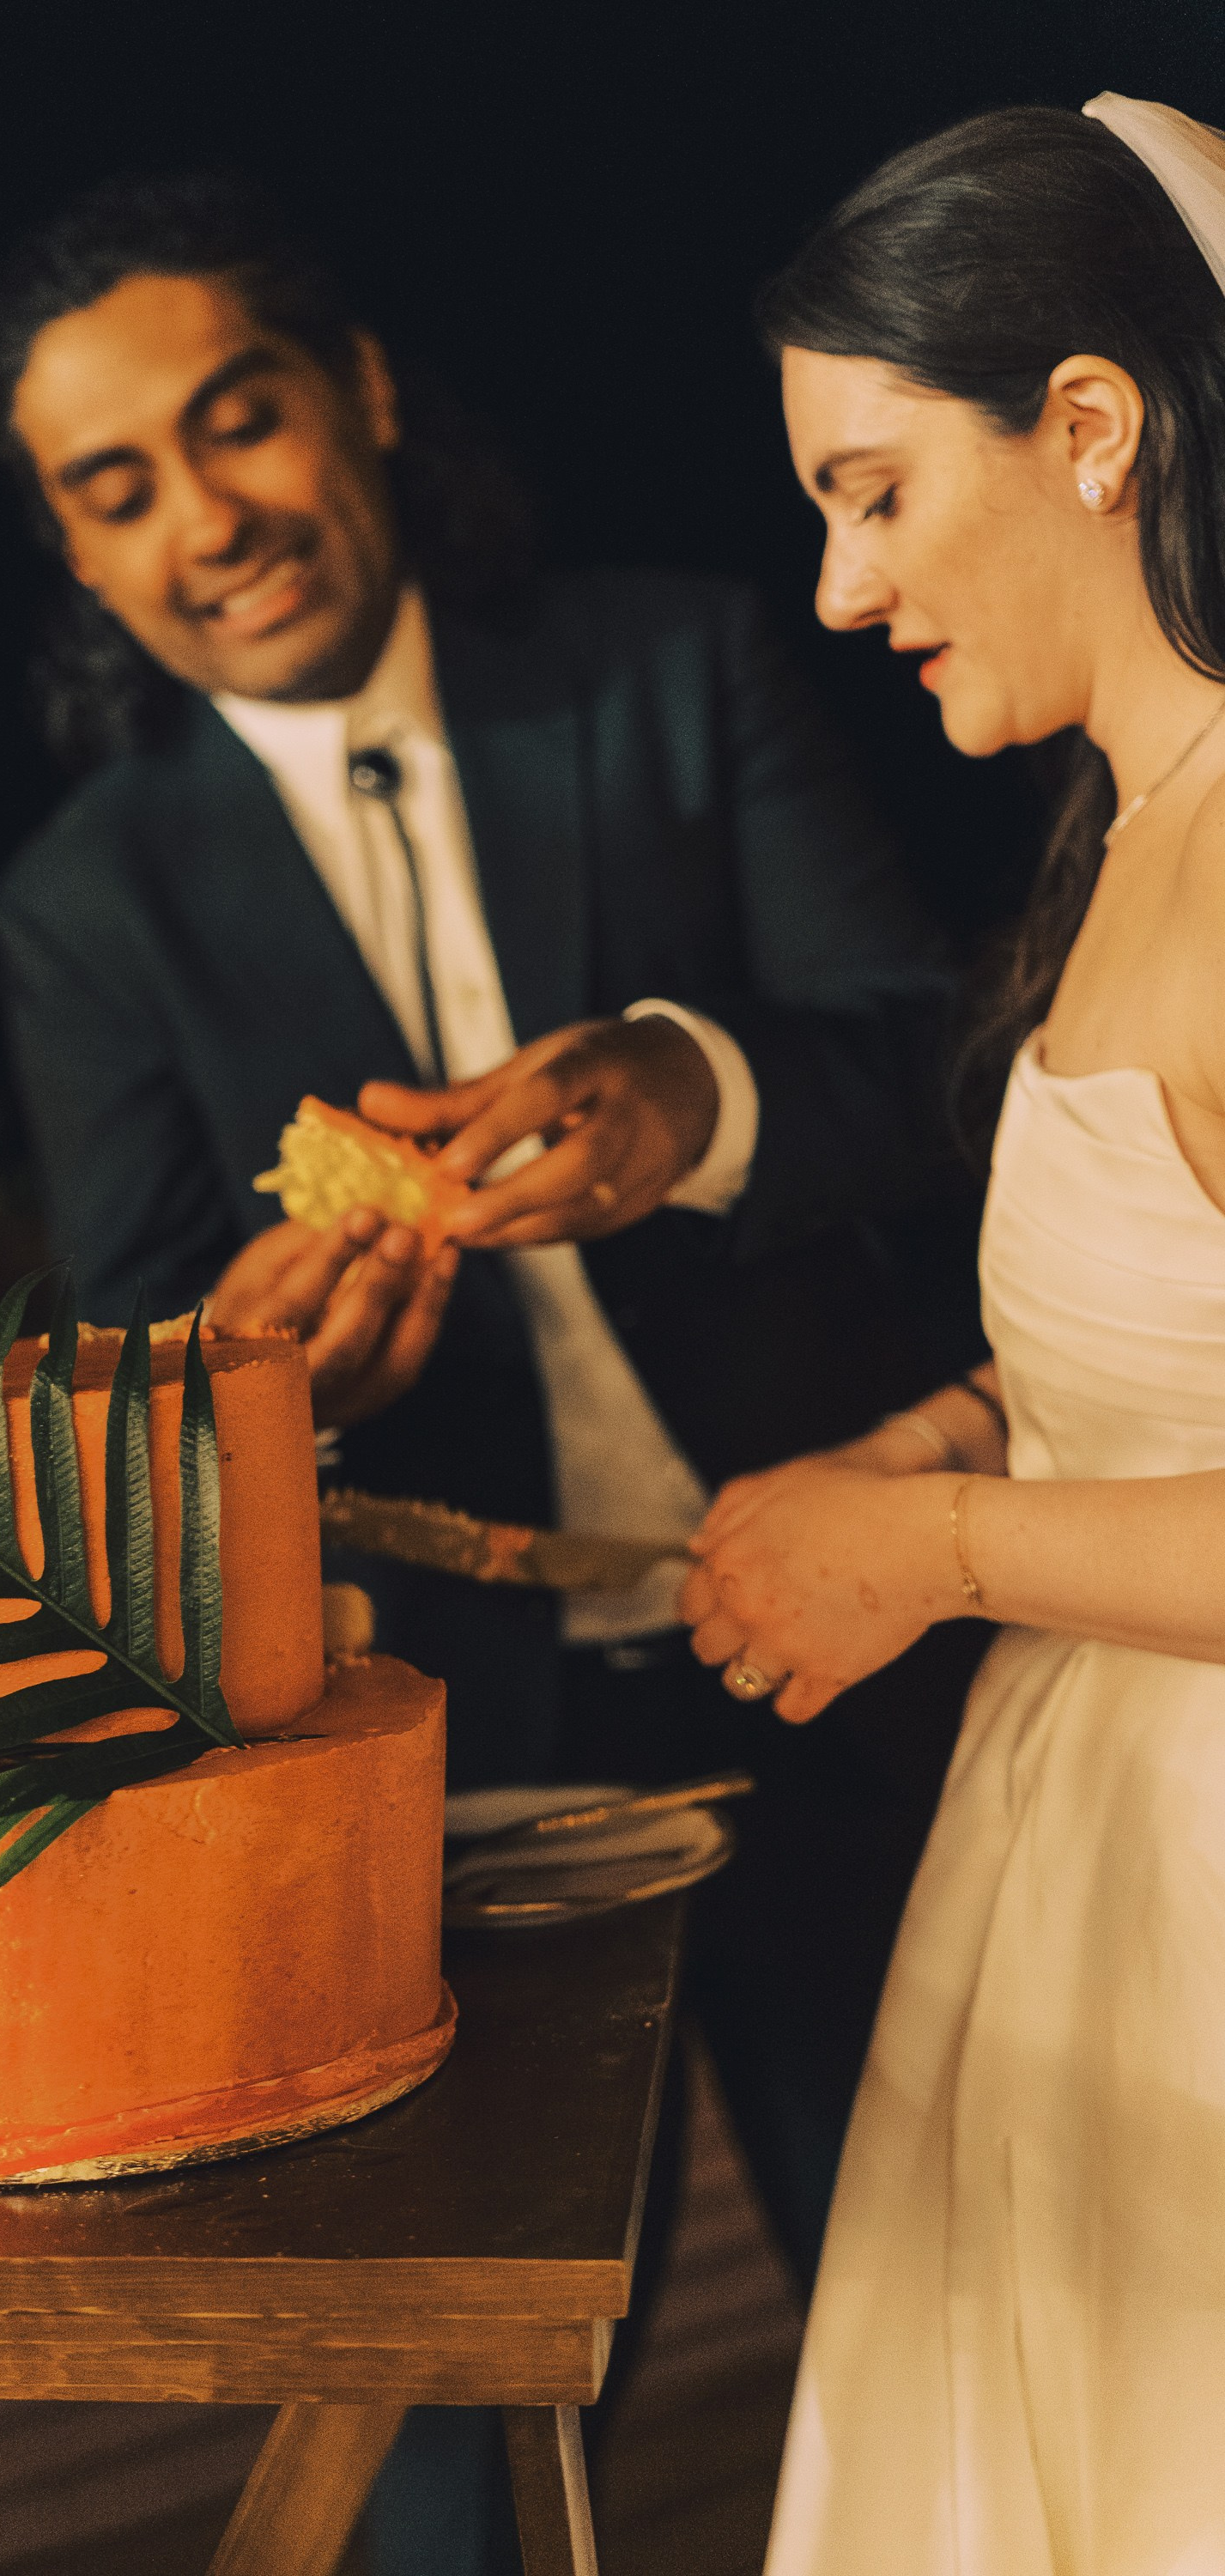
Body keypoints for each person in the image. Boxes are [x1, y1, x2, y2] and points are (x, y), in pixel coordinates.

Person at [0, 173, 983, 2565]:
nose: (209, 517)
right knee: (452, 2445)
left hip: (843, 1645)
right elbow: (131, 1361)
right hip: (445, 1778)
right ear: (80, 556)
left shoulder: (676, 664)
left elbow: (932, 1061)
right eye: (121, 489)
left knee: (927, 2307)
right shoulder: (84, 907)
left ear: (366, 399)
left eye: (244, 422)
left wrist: (689, 1097)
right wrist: (252, 1375)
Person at [681, 93, 1225, 2573]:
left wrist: (947, 1555)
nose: (836, 588)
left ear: (1094, 429)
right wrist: (943, 1434)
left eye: (876, 490)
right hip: (1085, 1835)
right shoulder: (1135, 822)